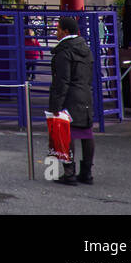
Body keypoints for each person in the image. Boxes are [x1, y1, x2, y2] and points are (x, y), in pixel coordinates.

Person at [49, 16, 94, 185]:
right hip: (85, 93)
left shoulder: (64, 51)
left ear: (65, 31)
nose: (56, 32)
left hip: (70, 96)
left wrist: (56, 105)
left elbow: (62, 80)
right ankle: (87, 173)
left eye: (58, 29)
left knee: (67, 135)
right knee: (87, 133)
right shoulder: (85, 49)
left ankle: (69, 173)